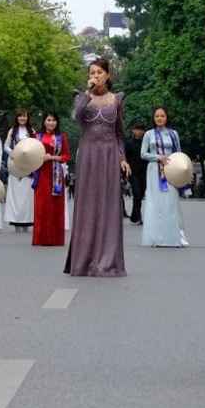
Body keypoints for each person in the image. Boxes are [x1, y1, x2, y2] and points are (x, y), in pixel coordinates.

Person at [65, 59, 127, 278]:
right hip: (89, 155)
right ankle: (83, 261)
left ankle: (108, 260)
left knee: (109, 205)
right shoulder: (81, 97)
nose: (96, 76)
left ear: (108, 75)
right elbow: (75, 116)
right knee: (88, 204)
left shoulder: (117, 99)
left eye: (100, 72)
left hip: (110, 154)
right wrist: (86, 94)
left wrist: (123, 158)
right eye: (92, 72)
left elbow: (119, 132)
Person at [140, 106, 187, 248]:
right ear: (153, 118)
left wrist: (183, 171)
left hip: (170, 170)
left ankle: (174, 236)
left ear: (167, 117)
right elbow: (143, 154)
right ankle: (155, 237)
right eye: (157, 116)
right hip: (154, 170)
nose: (159, 118)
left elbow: (179, 153)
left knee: (171, 202)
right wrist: (158, 157)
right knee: (155, 203)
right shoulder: (149, 134)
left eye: (162, 116)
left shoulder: (173, 134)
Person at [29, 113, 67, 244]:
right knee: (42, 204)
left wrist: (53, 157)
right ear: (44, 121)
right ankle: (41, 237)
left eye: (54, 120)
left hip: (56, 173)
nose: (51, 123)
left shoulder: (61, 137)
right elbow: (30, 153)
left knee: (56, 205)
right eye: (48, 120)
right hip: (41, 173)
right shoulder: (36, 137)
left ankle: (56, 239)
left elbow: (66, 156)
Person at [4, 109, 38, 231]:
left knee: (27, 195)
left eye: (24, 116)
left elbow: (36, 146)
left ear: (27, 117)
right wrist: (11, 152)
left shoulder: (32, 131)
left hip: (28, 166)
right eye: (20, 116)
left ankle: (27, 222)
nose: (22, 118)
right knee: (16, 194)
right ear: (17, 118)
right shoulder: (12, 131)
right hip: (15, 165)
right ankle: (16, 222)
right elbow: (6, 145)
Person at [124, 120, 147, 225]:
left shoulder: (145, 144)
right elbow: (125, 159)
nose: (139, 132)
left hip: (144, 172)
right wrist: (125, 174)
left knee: (140, 194)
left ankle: (134, 215)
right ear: (133, 130)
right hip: (133, 173)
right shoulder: (128, 143)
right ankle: (138, 217)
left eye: (141, 130)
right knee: (136, 193)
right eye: (137, 129)